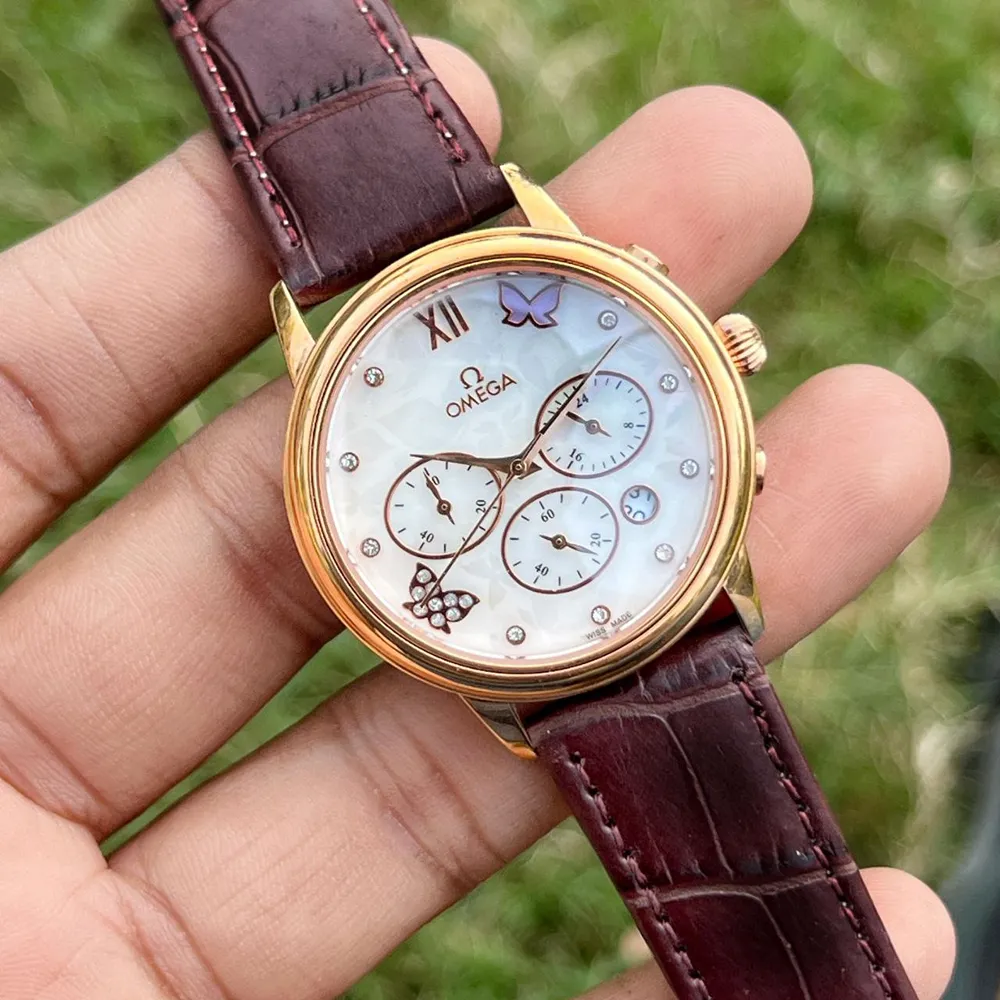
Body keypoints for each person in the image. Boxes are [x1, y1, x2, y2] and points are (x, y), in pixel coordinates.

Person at [0, 39, 957, 1000]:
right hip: (564, 646)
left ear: (722, 352)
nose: (523, 466)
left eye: (571, 421)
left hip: (667, 607)